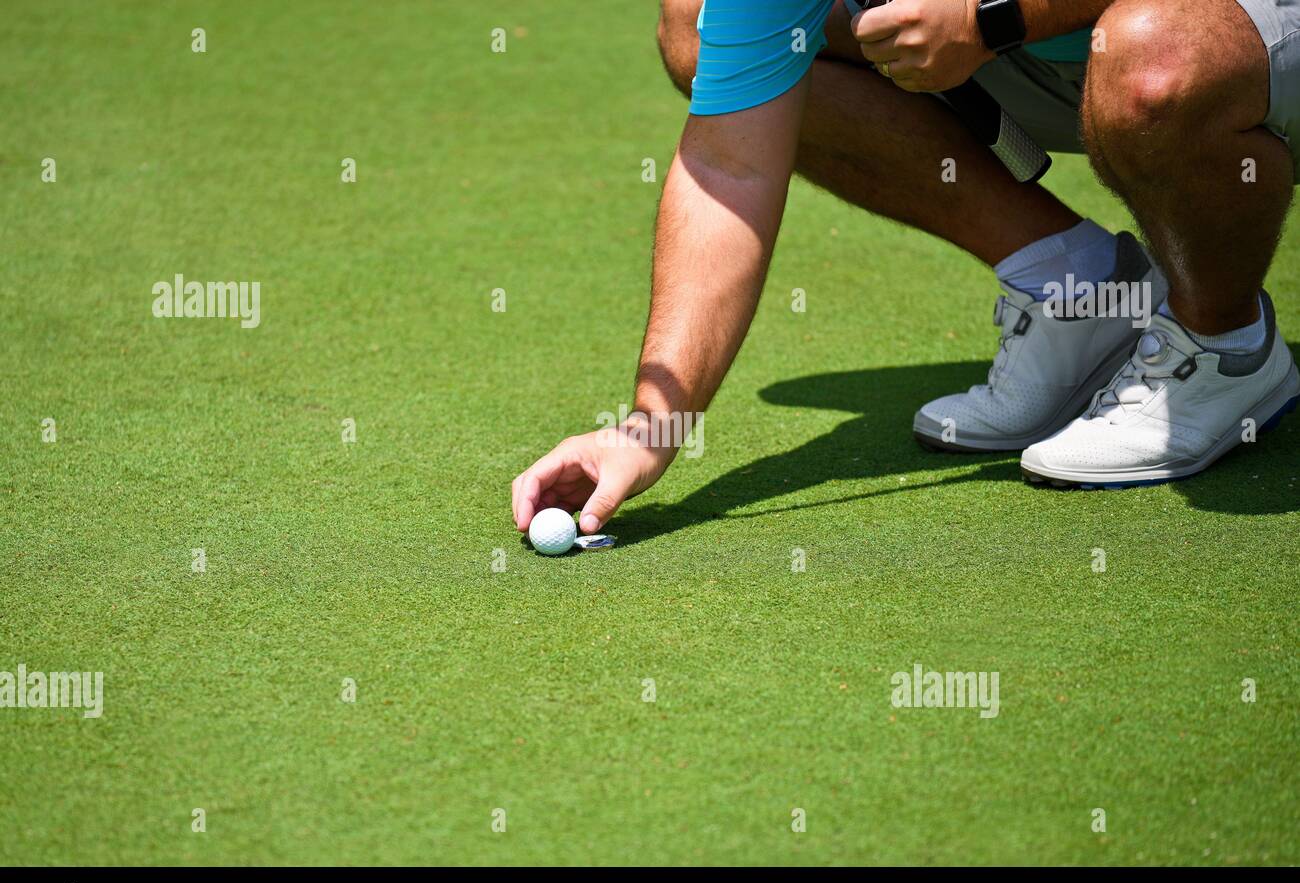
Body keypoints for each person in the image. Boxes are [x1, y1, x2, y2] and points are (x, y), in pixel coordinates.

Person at [511, 0, 1300, 535]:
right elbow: (731, 167)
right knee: (707, 23)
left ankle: (1225, 343)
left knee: (1152, 61)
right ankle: (1080, 287)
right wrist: (653, 427)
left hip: (1224, 27)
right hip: (1051, 52)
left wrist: (990, 16)